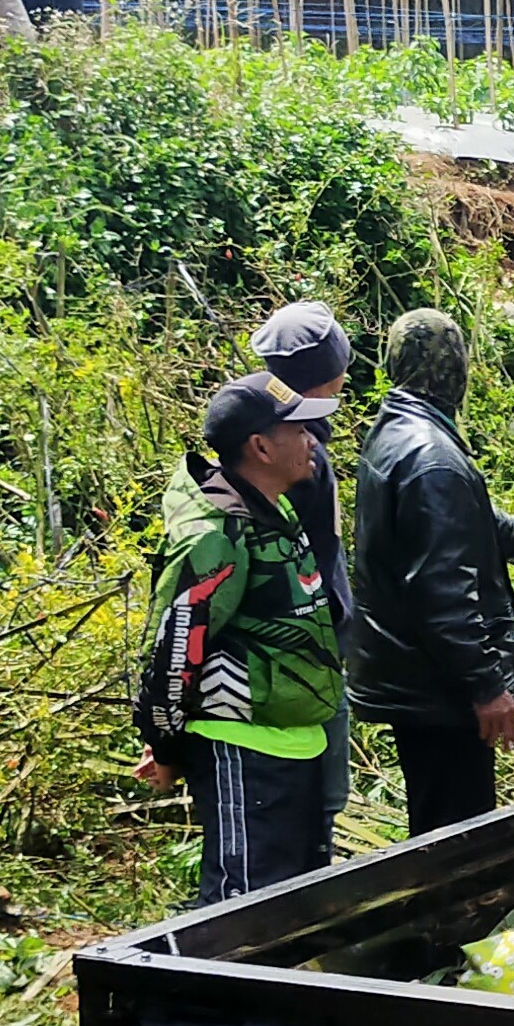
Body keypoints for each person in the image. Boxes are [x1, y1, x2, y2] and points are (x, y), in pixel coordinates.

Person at [350, 310, 514, 835]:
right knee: (457, 836)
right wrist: (486, 686)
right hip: (440, 691)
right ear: (456, 370)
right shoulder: (432, 458)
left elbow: (470, 519)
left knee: (437, 822)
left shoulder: (395, 431)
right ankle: (456, 918)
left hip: (415, 677)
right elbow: (442, 591)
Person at [139, 371, 343, 901]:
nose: (310, 441)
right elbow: (172, 649)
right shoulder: (215, 536)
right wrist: (165, 746)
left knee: (291, 906)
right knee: (241, 908)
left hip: (296, 745)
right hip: (244, 752)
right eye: (298, 431)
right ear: (260, 447)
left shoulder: (275, 508)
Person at [252, 301, 357, 840]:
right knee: (317, 801)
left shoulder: (255, 434)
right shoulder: (300, 454)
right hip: (304, 651)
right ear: (333, 376)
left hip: (277, 649)